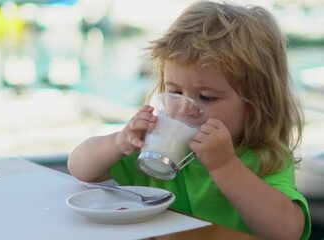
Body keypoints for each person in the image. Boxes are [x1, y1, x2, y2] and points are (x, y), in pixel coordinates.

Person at [67, 0, 311, 239]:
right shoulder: (155, 145)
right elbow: (79, 168)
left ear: (256, 105)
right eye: (174, 92)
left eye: (206, 97)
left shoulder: (263, 158)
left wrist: (224, 165)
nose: (185, 109)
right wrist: (119, 142)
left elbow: (287, 231)